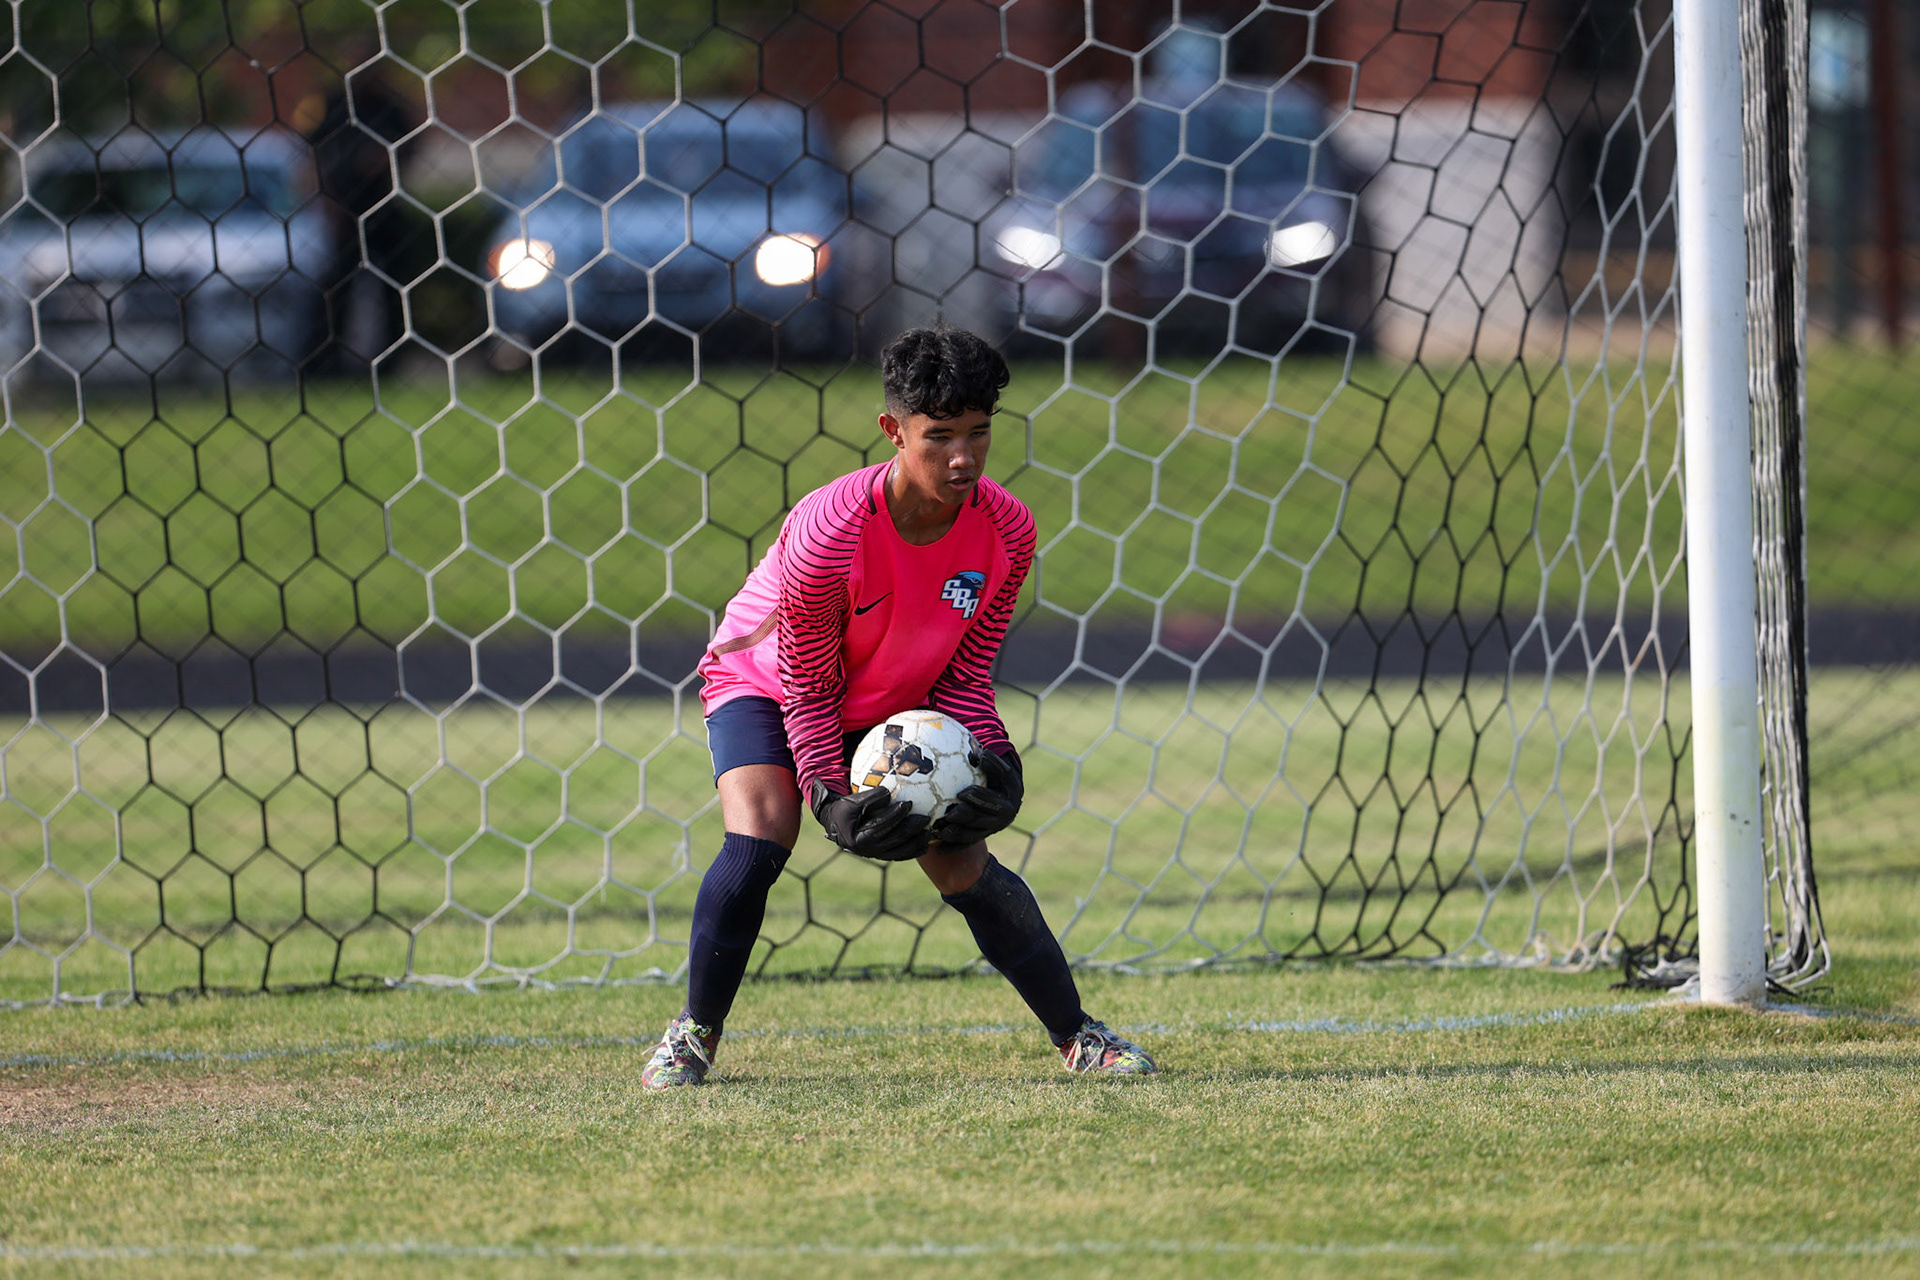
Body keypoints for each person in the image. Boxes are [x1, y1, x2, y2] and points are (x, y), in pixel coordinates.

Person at [642, 326, 1157, 1088]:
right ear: (893, 430)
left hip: (890, 694)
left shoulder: (1008, 529)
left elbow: (967, 666)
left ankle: (1082, 1038)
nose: (963, 458)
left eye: (979, 434)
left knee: (964, 863)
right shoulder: (830, 534)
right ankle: (692, 1039)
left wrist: (997, 756)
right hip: (767, 680)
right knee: (759, 840)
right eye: (939, 436)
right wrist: (826, 796)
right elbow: (811, 685)